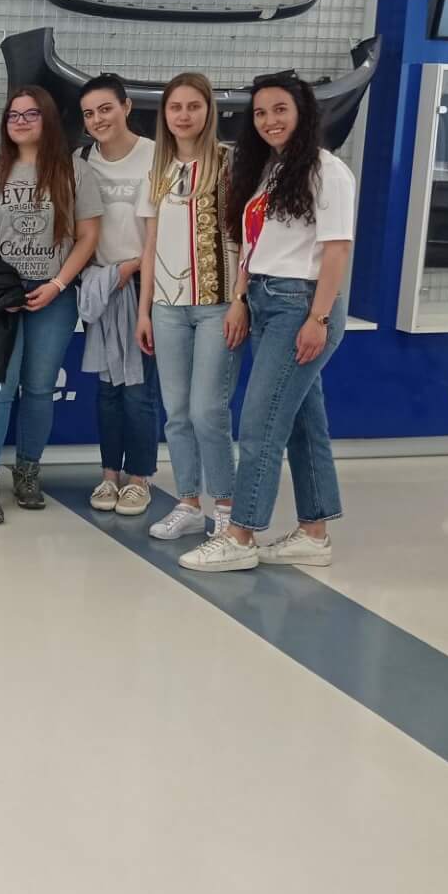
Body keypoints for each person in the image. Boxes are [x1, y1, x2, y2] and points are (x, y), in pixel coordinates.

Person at [181, 73, 354, 573]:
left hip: (301, 304)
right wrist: (240, 298)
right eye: (260, 113)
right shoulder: (269, 171)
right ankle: (315, 533)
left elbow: (337, 250)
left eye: (280, 110)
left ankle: (241, 536)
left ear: (302, 113)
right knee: (302, 422)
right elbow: (252, 244)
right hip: (264, 298)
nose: (269, 121)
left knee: (260, 425)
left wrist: (318, 318)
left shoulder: (328, 171)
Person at [0, 88, 101, 522]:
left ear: (49, 119)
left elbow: (88, 237)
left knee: (40, 388)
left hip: (53, 295)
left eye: (31, 114)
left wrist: (58, 284)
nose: (20, 121)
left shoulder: (76, 172)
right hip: (2, 295)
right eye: (13, 115)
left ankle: (27, 471)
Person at [134, 74, 240, 542]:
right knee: (176, 411)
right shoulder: (156, 171)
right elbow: (150, 245)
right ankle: (189, 503)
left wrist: (240, 301)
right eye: (175, 107)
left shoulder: (230, 164)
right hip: (167, 309)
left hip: (218, 307)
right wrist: (144, 311)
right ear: (164, 114)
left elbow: (247, 240)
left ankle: (227, 509)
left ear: (208, 110)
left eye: (193, 106)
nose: (183, 115)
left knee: (207, 411)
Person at [77, 74, 158, 518]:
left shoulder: (155, 156)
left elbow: (165, 227)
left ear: (126, 107)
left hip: (144, 286)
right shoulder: (81, 160)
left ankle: (139, 478)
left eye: (105, 109)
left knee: (139, 390)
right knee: (107, 389)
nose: (98, 119)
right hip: (102, 287)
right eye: (89, 113)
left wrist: (134, 267)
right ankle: (109, 474)